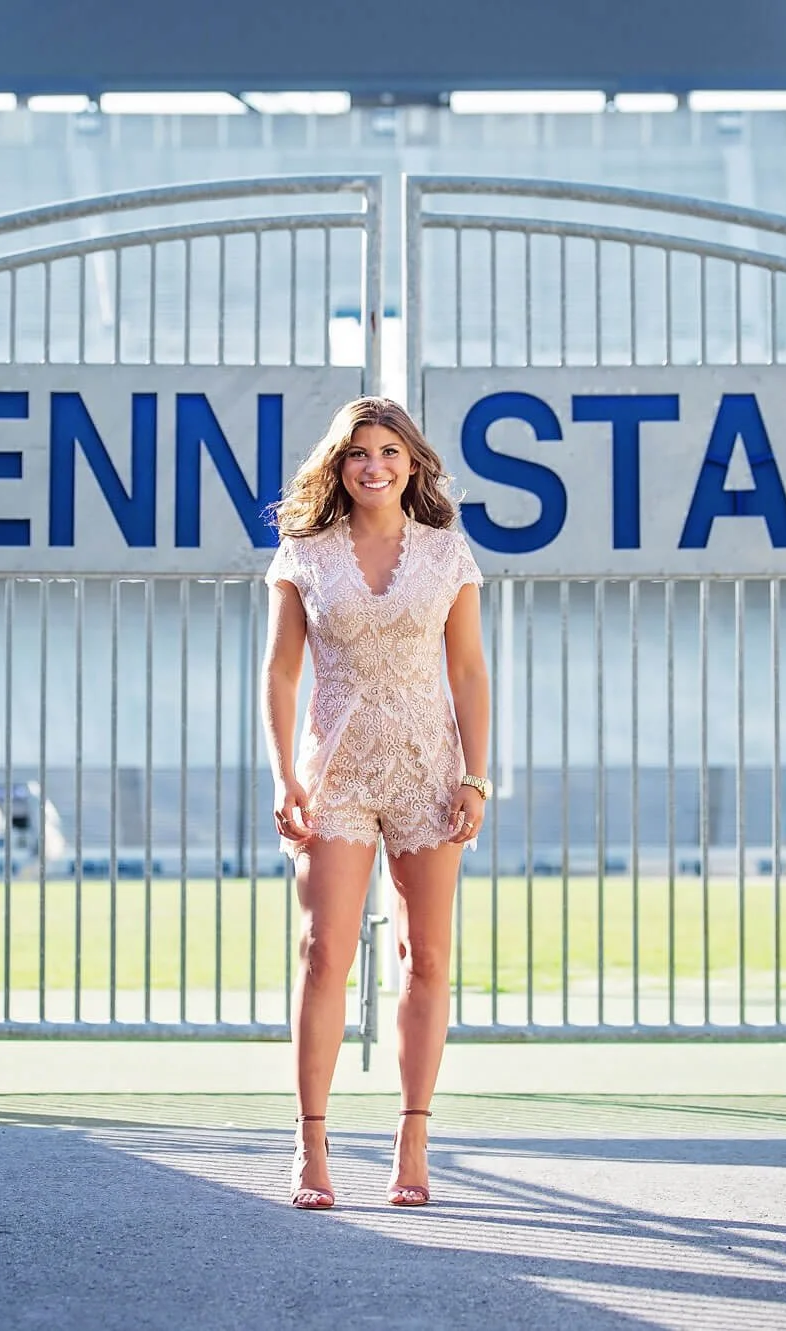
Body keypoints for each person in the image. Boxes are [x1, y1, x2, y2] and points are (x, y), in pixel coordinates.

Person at [260, 396, 491, 1210]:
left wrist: (476, 776)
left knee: (425, 957)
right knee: (324, 952)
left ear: (412, 463)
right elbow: (281, 673)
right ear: (339, 464)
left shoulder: (447, 553)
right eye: (359, 453)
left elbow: (467, 672)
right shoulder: (304, 554)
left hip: (429, 772)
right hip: (338, 775)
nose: (374, 465)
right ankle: (311, 1141)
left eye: (390, 451)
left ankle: (413, 1134)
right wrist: (285, 772)